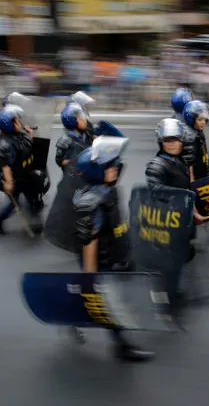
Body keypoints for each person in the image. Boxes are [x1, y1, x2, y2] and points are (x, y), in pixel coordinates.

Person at [72, 136, 155, 361]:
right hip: (101, 263)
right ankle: (122, 346)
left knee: (105, 300)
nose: (115, 169)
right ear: (95, 171)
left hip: (114, 257)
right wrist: (90, 276)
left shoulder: (108, 191)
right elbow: (89, 241)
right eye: (108, 166)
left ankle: (75, 316)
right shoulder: (92, 202)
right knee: (111, 304)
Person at [0, 105, 43, 235]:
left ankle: (35, 221)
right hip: (15, 178)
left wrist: (30, 135)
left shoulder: (20, 135)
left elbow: (29, 147)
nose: (20, 121)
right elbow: (5, 165)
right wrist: (9, 182)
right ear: (9, 124)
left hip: (26, 173)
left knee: (32, 198)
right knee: (14, 204)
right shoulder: (5, 144)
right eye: (17, 120)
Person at [181, 100, 209, 184]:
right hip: (197, 181)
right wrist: (192, 181)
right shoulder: (190, 136)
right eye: (200, 119)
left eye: (205, 119)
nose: (203, 122)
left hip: (203, 177)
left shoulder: (198, 132)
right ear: (191, 120)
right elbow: (188, 162)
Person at [55, 104, 92, 170]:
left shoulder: (87, 135)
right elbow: (59, 161)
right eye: (81, 117)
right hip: (73, 178)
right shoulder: (66, 141)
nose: (85, 120)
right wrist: (78, 160)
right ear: (73, 121)